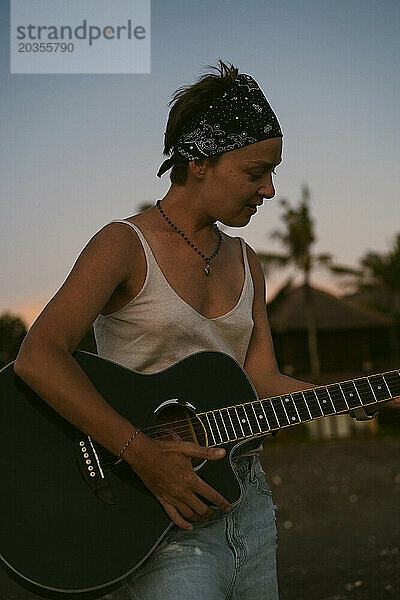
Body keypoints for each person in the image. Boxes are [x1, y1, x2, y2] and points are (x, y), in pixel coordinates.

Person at [15, 60, 392, 600]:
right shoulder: (123, 245)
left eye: (274, 172)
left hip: (249, 501)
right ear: (199, 161)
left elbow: (259, 380)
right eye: (254, 172)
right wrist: (143, 456)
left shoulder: (247, 261)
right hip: (158, 503)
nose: (269, 190)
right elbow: (38, 356)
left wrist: (344, 396)